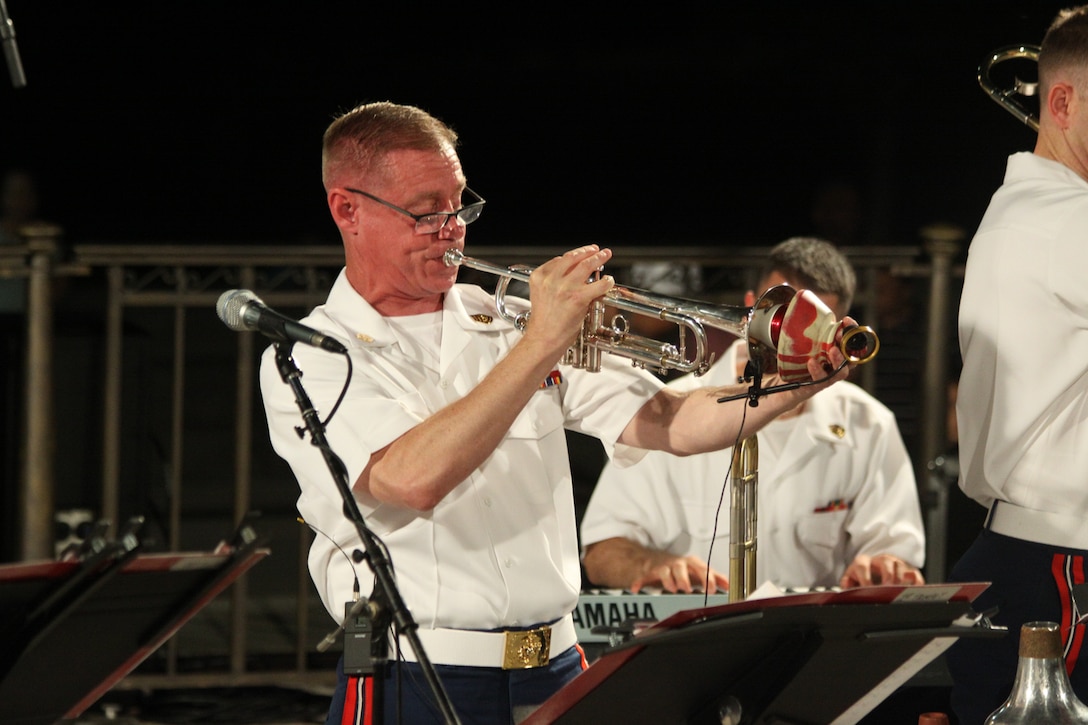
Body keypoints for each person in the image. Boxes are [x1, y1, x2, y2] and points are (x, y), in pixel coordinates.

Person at [258, 101, 855, 725]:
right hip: (418, 675)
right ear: (347, 209)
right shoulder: (310, 352)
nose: (452, 228)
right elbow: (411, 479)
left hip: (560, 668)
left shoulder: (510, 319)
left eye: (461, 204)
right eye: (425, 210)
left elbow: (675, 422)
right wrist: (541, 343)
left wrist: (800, 383)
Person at [581, 237, 925, 595]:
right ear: (750, 307)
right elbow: (601, 551)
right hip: (696, 639)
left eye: (813, 326)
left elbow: (894, 554)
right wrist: (656, 566)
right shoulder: (668, 408)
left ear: (838, 331)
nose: (793, 337)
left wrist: (886, 567)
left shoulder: (869, 423)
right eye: (781, 319)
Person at [947, 6, 1088, 722]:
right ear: (1060, 104)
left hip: (1030, 556)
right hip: (1062, 570)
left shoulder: (1024, 209)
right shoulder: (1067, 220)